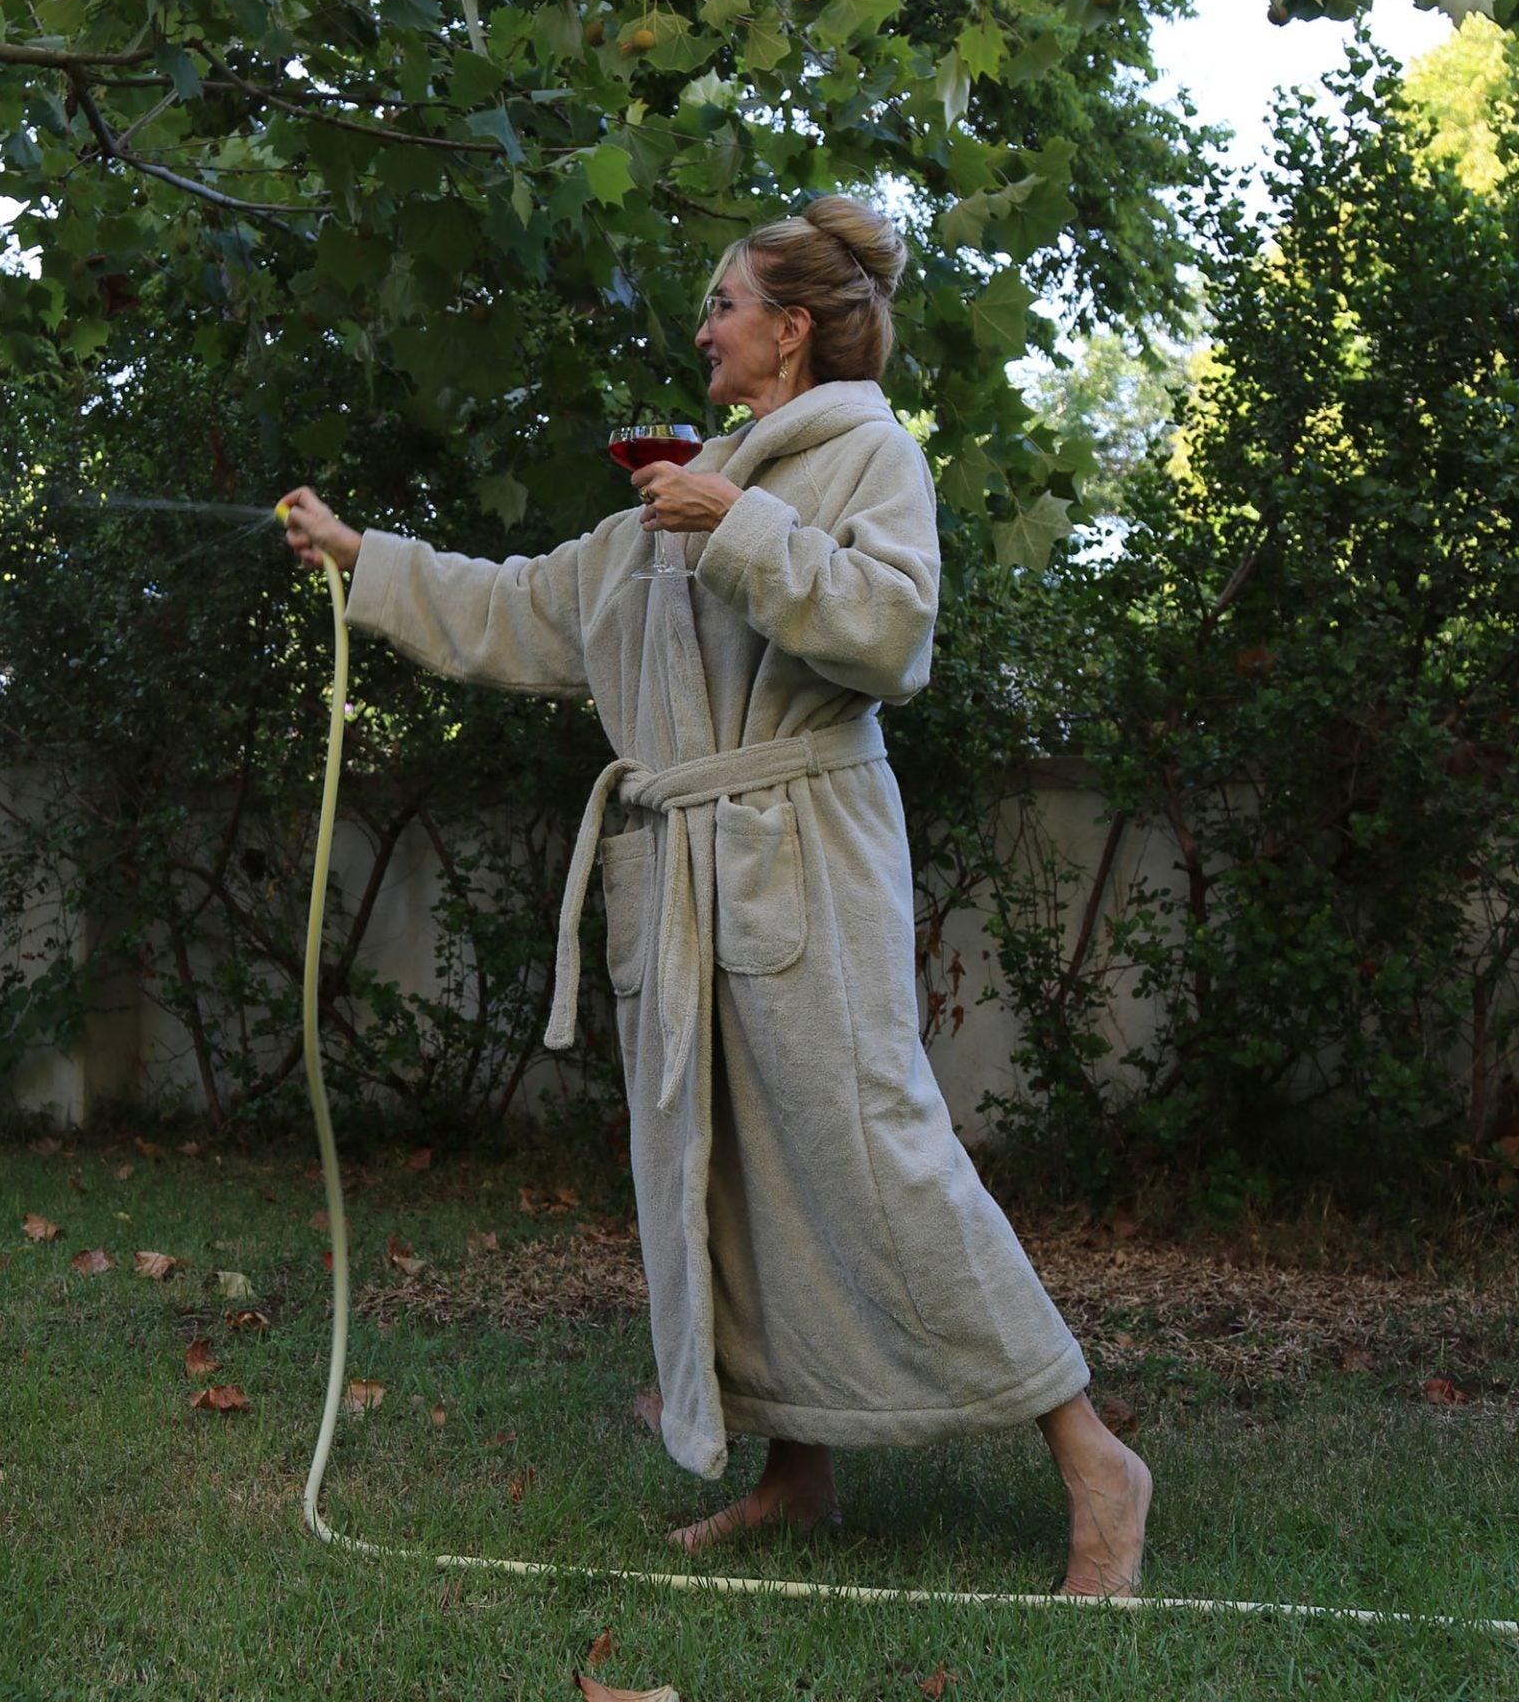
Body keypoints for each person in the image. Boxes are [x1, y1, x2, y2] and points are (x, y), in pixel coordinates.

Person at [278, 193, 1150, 1593]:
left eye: (726, 306)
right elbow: (523, 609)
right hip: (682, 867)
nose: (702, 328)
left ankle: (1093, 1457)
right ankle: (797, 1476)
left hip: (807, 848)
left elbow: (893, 632)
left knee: (877, 1156)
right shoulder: (676, 495)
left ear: (792, 331)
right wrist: (361, 557)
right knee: (730, 1176)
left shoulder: (867, 454)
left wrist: (736, 520)